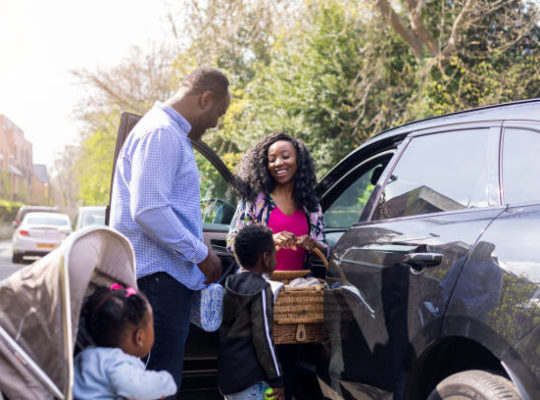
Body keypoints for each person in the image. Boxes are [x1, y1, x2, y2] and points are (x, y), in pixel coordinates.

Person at [110, 67, 230, 394]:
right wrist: (201, 253)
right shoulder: (161, 132)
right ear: (205, 98)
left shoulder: (165, 131)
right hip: (159, 282)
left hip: (158, 281)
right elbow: (149, 210)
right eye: (219, 112)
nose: (217, 122)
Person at [226, 132, 329, 400]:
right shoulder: (255, 200)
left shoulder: (311, 205)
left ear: (299, 161)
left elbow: (325, 249)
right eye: (271, 158)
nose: (278, 163)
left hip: (295, 297)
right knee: (259, 363)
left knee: (289, 367)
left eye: (285, 156)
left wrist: (312, 244)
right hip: (256, 295)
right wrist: (268, 239)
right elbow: (233, 241)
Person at [74, 284, 177, 400]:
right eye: (151, 326)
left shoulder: (85, 355)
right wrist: (167, 381)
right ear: (139, 337)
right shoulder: (116, 363)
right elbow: (141, 388)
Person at [219, 224, 285, 400]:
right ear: (265, 257)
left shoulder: (231, 283)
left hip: (230, 381)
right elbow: (263, 336)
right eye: (274, 252)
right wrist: (277, 379)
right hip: (253, 381)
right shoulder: (261, 289)